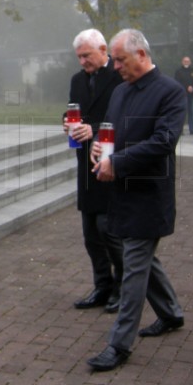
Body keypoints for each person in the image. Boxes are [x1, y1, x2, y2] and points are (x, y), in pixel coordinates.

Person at [86, 29, 186, 372]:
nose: (115, 66)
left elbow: (163, 142)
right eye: (114, 60)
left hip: (149, 196)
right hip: (120, 193)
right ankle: (171, 313)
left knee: (133, 267)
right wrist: (99, 145)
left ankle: (119, 344)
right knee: (142, 259)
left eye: (120, 60)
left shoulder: (170, 92)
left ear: (141, 55)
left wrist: (118, 162)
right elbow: (109, 129)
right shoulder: (120, 91)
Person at [65, 29, 123, 313]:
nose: (82, 62)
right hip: (84, 164)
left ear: (103, 49)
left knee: (109, 230)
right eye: (79, 57)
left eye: (86, 55)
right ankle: (101, 286)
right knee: (90, 233)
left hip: (110, 162)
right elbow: (71, 111)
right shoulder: (77, 80)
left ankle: (121, 288)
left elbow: (127, 118)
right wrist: (68, 123)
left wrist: (96, 129)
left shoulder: (119, 75)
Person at [174, 56, 193, 135]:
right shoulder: (178, 71)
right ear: (182, 62)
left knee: (191, 112)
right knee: (183, 112)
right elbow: (177, 81)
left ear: (190, 62)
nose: (186, 62)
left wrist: (192, 86)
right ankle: (180, 130)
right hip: (183, 95)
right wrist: (186, 87)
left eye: (188, 61)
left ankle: (192, 130)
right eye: (185, 61)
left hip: (192, 95)